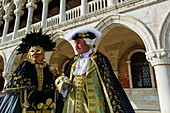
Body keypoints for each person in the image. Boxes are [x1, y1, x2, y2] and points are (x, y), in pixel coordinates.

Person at [55, 27, 135, 113]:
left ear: (87, 42)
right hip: (72, 104)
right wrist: (63, 84)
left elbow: (109, 83)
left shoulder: (99, 59)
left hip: (93, 105)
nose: (76, 46)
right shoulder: (71, 62)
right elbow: (63, 78)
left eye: (79, 42)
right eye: (75, 43)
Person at [0, 29, 57, 113]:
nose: (35, 54)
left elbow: (51, 83)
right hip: (28, 101)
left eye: (38, 51)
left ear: (43, 54)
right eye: (32, 52)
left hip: (45, 102)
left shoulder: (47, 68)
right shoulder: (26, 65)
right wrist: (33, 94)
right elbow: (21, 83)